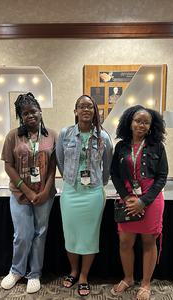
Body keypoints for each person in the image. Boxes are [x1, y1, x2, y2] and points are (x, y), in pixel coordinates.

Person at [0, 92, 57, 294]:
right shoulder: (12, 136)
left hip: (45, 194)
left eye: (33, 111)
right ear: (20, 116)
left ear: (40, 112)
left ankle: (34, 274)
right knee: (22, 235)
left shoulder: (52, 135)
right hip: (19, 194)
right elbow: (8, 166)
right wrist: (27, 191)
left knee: (40, 234)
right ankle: (16, 271)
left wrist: (45, 191)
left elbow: (52, 167)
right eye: (25, 113)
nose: (30, 115)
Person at [56, 95, 113, 296]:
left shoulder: (103, 137)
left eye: (90, 106)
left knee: (89, 236)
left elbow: (107, 165)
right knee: (70, 234)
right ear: (75, 111)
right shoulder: (65, 134)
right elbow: (60, 160)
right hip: (71, 191)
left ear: (95, 111)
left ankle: (84, 276)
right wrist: (69, 179)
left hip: (93, 194)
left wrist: (99, 183)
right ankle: (73, 270)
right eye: (82, 106)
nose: (86, 110)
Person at [110, 105, 168, 300]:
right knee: (125, 242)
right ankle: (128, 278)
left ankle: (145, 283)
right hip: (127, 198)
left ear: (151, 126)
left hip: (150, 199)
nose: (141, 125)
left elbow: (162, 176)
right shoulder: (121, 146)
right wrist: (127, 197)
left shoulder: (157, 147)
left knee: (148, 241)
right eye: (138, 120)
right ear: (130, 122)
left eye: (146, 122)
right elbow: (115, 174)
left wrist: (144, 201)